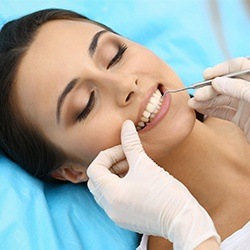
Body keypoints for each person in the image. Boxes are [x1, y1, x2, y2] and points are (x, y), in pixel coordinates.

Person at [0, 8, 249, 249]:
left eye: (115, 55)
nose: (125, 85)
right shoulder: (188, 236)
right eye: (86, 104)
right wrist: (190, 232)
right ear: (71, 171)